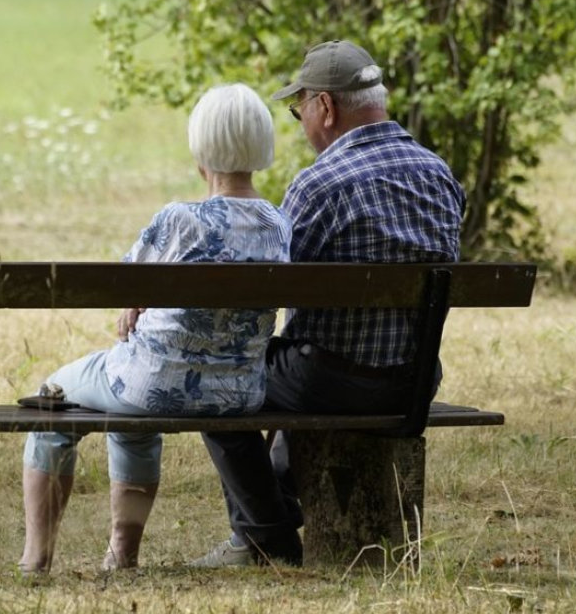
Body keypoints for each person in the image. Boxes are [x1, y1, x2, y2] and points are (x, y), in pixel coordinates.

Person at [191, 40, 467, 567]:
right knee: (298, 361)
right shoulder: (440, 175)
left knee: (215, 378)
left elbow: (270, 290)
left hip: (331, 382)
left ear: (325, 107)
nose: (302, 124)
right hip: (414, 382)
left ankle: (265, 538)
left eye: (299, 112)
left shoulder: (318, 185)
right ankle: (270, 516)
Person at [19, 83, 292, 574]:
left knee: (52, 397)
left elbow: (122, 284)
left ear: (200, 149)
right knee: (129, 409)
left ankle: (36, 558)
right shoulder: (279, 224)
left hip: (153, 385)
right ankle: (121, 555)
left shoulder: (179, 220)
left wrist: (135, 302)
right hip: (238, 394)